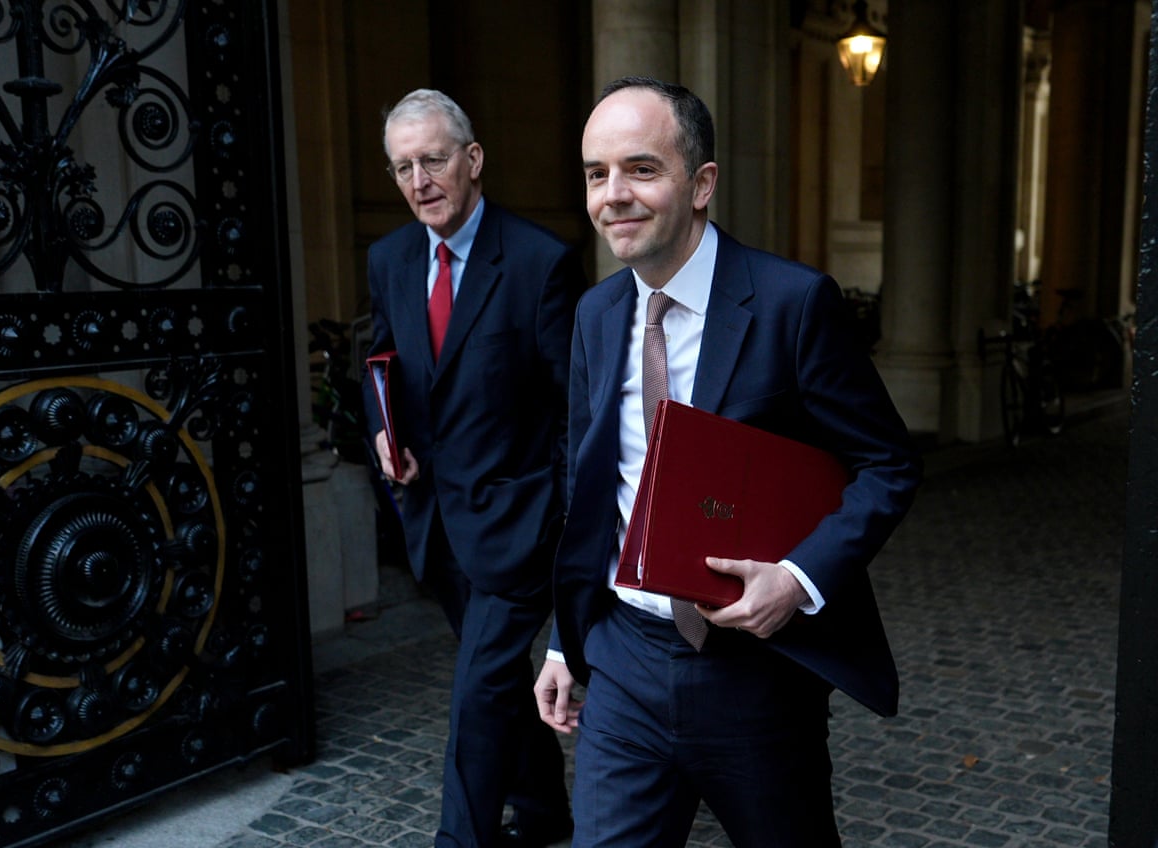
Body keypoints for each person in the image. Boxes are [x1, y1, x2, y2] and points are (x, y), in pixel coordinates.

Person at [533, 76, 922, 846]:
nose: (613, 194)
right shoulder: (595, 314)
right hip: (625, 663)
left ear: (702, 182)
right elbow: (589, 488)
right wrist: (562, 636)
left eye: (641, 169)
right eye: (595, 173)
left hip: (755, 674)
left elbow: (887, 464)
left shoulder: (792, 303)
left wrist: (799, 579)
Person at [363, 89, 586, 848]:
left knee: (477, 694)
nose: (419, 180)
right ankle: (549, 812)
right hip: (434, 518)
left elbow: (573, 409)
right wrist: (382, 435)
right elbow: (380, 360)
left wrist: (558, 510)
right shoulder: (389, 259)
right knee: (493, 683)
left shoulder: (539, 263)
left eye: (432, 160)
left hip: (518, 524)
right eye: (402, 167)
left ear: (473, 159)